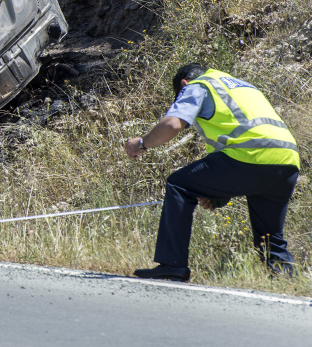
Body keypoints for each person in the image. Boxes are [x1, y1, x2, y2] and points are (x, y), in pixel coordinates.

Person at [125, 63, 301, 282]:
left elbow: (172, 125)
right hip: (287, 161)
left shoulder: (198, 86)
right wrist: (219, 193)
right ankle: (288, 281)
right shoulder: (243, 87)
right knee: (270, 235)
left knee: (179, 184)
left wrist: (142, 144)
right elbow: (236, 138)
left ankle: (172, 265)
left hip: (249, 155)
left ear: (183, 84)